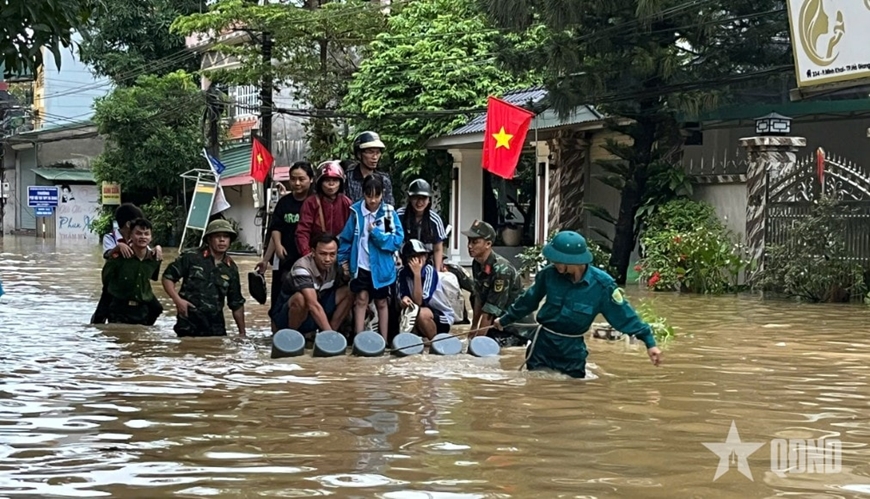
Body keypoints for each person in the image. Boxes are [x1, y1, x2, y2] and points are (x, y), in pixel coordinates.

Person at [494, 230, 663, 379]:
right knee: (536, 393)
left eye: (557, 260)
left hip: (572, 352)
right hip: (542, 346)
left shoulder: (602, 285)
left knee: (571, 398)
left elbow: (624, 316)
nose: (554, 263)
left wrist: (649, 343)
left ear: (571, 260)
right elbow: (527, 301)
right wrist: (504, 320)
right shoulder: (548, 275)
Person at [338, 175, 404, 340]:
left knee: (382, 302)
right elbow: (346, 240)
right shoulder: (356, 212)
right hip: (360, 265)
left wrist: (376, 233)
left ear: (383, 194)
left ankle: (383, 339)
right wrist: (343, 261)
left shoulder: (388, 213)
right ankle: (358, 339)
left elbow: (394, 240)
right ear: (363, 193)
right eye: (369, 195)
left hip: (381, 267)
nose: (373, 200)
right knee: (361, 299)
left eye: (377, 195)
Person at [162, 220, 247, 337]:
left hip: (215, 327)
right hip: (189, 323)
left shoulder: (231, 268)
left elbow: (236, 303)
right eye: (217, 236)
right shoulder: (191, 257)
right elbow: (168, 278)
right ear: (209, 239)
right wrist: (178, 301)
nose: (222, 240)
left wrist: (242, 333)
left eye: (226, 237)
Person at [462, 219, 531, 347]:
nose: (470, 246)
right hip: (495, 323)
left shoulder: (501, 270)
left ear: (488, 244)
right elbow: (478, 297)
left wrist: (476, 343)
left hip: (515, 328)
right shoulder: (477, 263)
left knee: (486, 350)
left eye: (475, 242)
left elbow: (490, 311)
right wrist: (473, 329)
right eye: (469, 241)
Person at [256, 161, 314, 311]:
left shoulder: (315, 202)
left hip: (309, 260)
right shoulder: (284, 203)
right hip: (284, 259)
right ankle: (277, 333)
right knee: (278, 300)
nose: (297, 183)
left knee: (307, 299)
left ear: (311, 179)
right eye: (293, 179)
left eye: (302, 179)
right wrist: (266, 260)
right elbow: (276, 229)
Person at [91, 203, 163, 324]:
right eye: (139, 232)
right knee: (101, 313)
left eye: (146, 234)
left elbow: (148, 255)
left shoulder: (139, 238)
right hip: (116, 279)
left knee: (156, 308)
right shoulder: (111, 237)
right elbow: (107, 255)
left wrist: (158, 249)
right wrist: (118, 247)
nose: (142, 236)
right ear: (129, 224)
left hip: (135, 279)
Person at [270, 233, 353, 337]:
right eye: (323, 254)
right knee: (300, 298)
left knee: (349, 291)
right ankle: (293, 336)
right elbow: (312, 304)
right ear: (313, 252)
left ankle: (331, 332)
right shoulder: (302, 267)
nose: (328, 259)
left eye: (332, 254)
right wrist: (330, 335)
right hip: (288, 316)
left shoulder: (337, 264)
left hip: (317, 309)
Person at [397, 239, 454, 340]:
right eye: (413, 257)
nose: (417, 260)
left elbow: (419, 301)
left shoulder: (429, 271)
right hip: (415, 314)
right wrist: (404, 299)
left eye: (420, 256)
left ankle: (435, 342)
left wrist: (417, 274)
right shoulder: (402, 273)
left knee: (420, 313)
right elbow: (401, 295)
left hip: (439, 316)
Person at [296, 160, 352, 257]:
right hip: (316, 255)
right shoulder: (311, 203)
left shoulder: (346, 203)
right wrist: (308, 254)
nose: (331, 184)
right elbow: (303, 232)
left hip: (340, 254)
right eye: (327, 180)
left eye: (335, 180)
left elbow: (352, 232)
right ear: (320, 183)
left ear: (341, 182)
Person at [397, 179, 448, 271]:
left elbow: (438, 249)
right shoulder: (399, 216)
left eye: (423, 198)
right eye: (416, 197)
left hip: (427, 264)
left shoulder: (435, 220)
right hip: (402, 262)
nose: (419, 202)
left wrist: (436, 274)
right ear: (410, 198)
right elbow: (392, 242)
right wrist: (397, 258)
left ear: (429, 200)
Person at [344, 131, 394, 206]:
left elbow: (388, 206)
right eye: (370, 152)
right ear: (359, 154)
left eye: (377, 152)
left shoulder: (384, 179)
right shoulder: (348, 177)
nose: (375, 157)